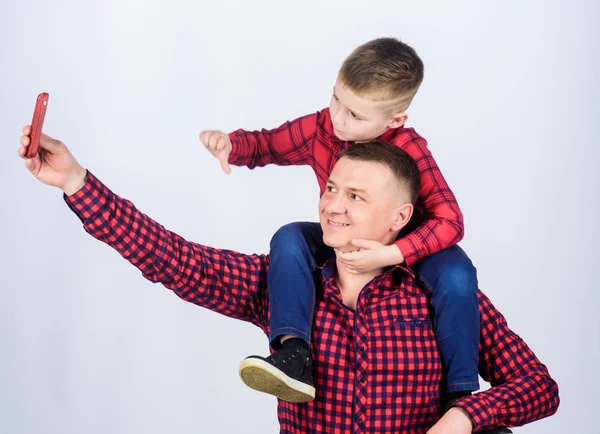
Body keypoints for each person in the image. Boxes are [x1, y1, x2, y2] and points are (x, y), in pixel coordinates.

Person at [18, 129, 559, 433]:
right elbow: (176, 260)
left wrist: (466, 415)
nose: (333, 206)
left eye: (356, 197)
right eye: (332, 189)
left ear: (400, 218)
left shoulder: (445, 293)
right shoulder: (289, 280)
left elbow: (539, 388)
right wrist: (76, 181)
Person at [200, 37, 480, 405]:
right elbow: (269, 144)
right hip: (343, 236)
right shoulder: (323, 127)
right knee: (289, 238)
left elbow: (449, 220)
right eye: (336, 100)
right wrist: (232, 145)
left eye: (355, 115)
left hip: (408, 249)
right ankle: (294, 355)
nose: (338, 118)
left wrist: (391, 253)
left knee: (459, 272)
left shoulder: (410, 149)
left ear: (395, 120)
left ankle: (461, 398)